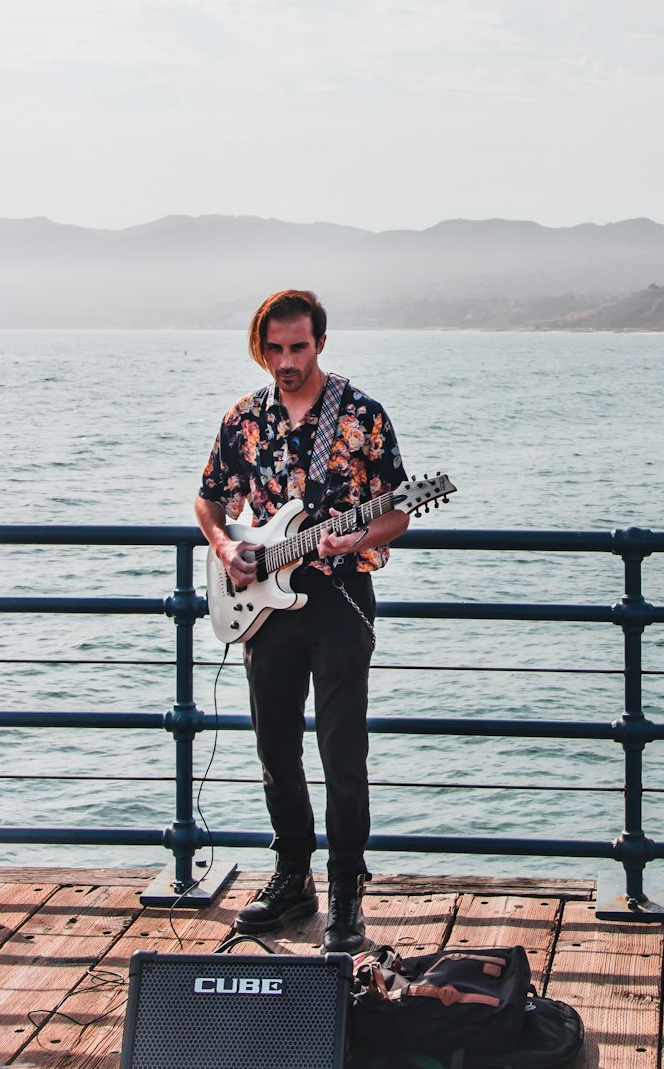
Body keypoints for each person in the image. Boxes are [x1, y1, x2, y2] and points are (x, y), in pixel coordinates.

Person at [195, 288, 409, 950]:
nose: (287, 361)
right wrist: (227, 547)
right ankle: (294, 879)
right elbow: (207, 500)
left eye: (299, 347)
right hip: (265, 613)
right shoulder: (242, 419)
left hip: (341, 604)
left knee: (343, 753)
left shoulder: (362, 416)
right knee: (274, 750)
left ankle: (346, 894)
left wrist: (362, 540)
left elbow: (398, 510)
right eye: (276, 348)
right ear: (262, 347)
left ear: (320, 343)